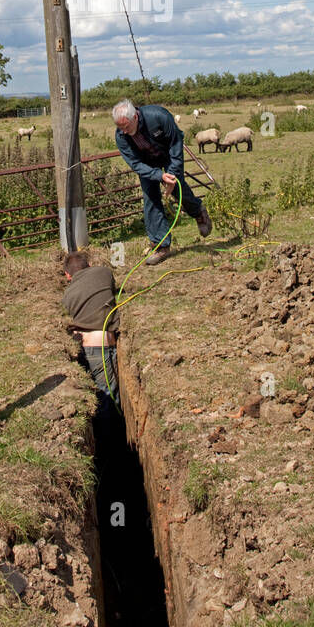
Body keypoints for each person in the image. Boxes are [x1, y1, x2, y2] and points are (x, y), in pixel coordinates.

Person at [112, 99, 211, 266]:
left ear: (135, 116)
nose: (124, 131)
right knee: (150, 198)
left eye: (126, 126)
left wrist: (171, 173)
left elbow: (176, 143)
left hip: (168, 155)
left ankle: (198, 213)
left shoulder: (159, 116)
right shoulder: (121, 135)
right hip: (146, 163)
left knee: (178, 189)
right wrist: (158, 176)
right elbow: (135, 163)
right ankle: (161, 245)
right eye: (120, 128)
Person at [62, 250, 121, 416]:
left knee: (97, 401)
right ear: (89, 265)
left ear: (68, 275)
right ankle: (109, 437)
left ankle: (104, 436)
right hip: (103, 346)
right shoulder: (104, 272)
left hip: (84, 348)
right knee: (108, 399)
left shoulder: (67, 294)